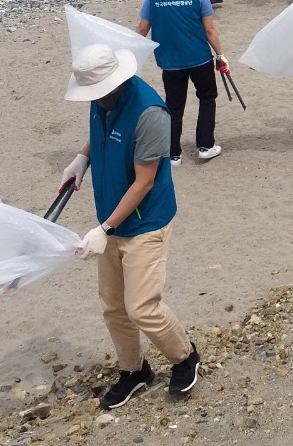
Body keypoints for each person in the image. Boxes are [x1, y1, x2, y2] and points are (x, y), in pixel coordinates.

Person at [58, 43, 201, 409]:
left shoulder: (150, 113)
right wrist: (81, 159)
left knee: (142, 307)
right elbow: (101, 130)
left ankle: (185, 357)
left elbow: (144, 182)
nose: (95, 98)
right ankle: (134, 371)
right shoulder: (102, 98)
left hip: (145, 223)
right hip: (110, 217)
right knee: (112, 305)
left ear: (116, 81)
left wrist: (104, 229)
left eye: (98, 92)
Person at [137, 0, 228, 161]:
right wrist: (220, 54)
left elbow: (142, 29)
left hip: (169, 61)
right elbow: (210, 30)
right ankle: (205, 145)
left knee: (174, 106)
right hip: (199, 57)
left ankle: (173, 154)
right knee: (207, 98)